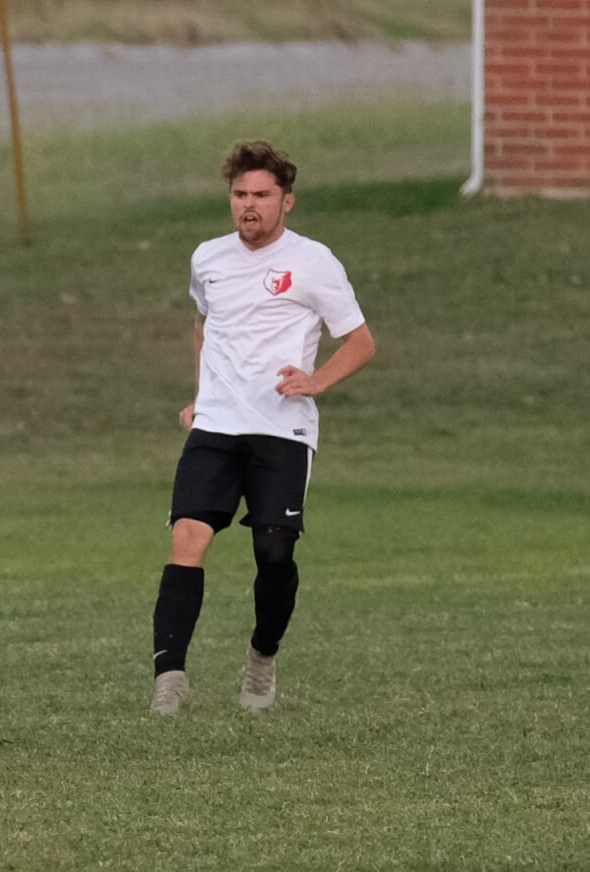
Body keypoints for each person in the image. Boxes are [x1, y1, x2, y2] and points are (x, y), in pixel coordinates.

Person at [150, 140, 377, 715]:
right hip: (217, 427)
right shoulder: (208, 258)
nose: (248, 205)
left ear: (287, 202)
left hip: (282, 431)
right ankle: (169, 679)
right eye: (239, 194)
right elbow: (204, 327)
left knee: (274, 553)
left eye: (261, 195)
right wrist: (200, 397)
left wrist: (317, 381)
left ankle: (262, 656)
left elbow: (361, 342)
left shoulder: (314, 262)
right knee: (186, 540)